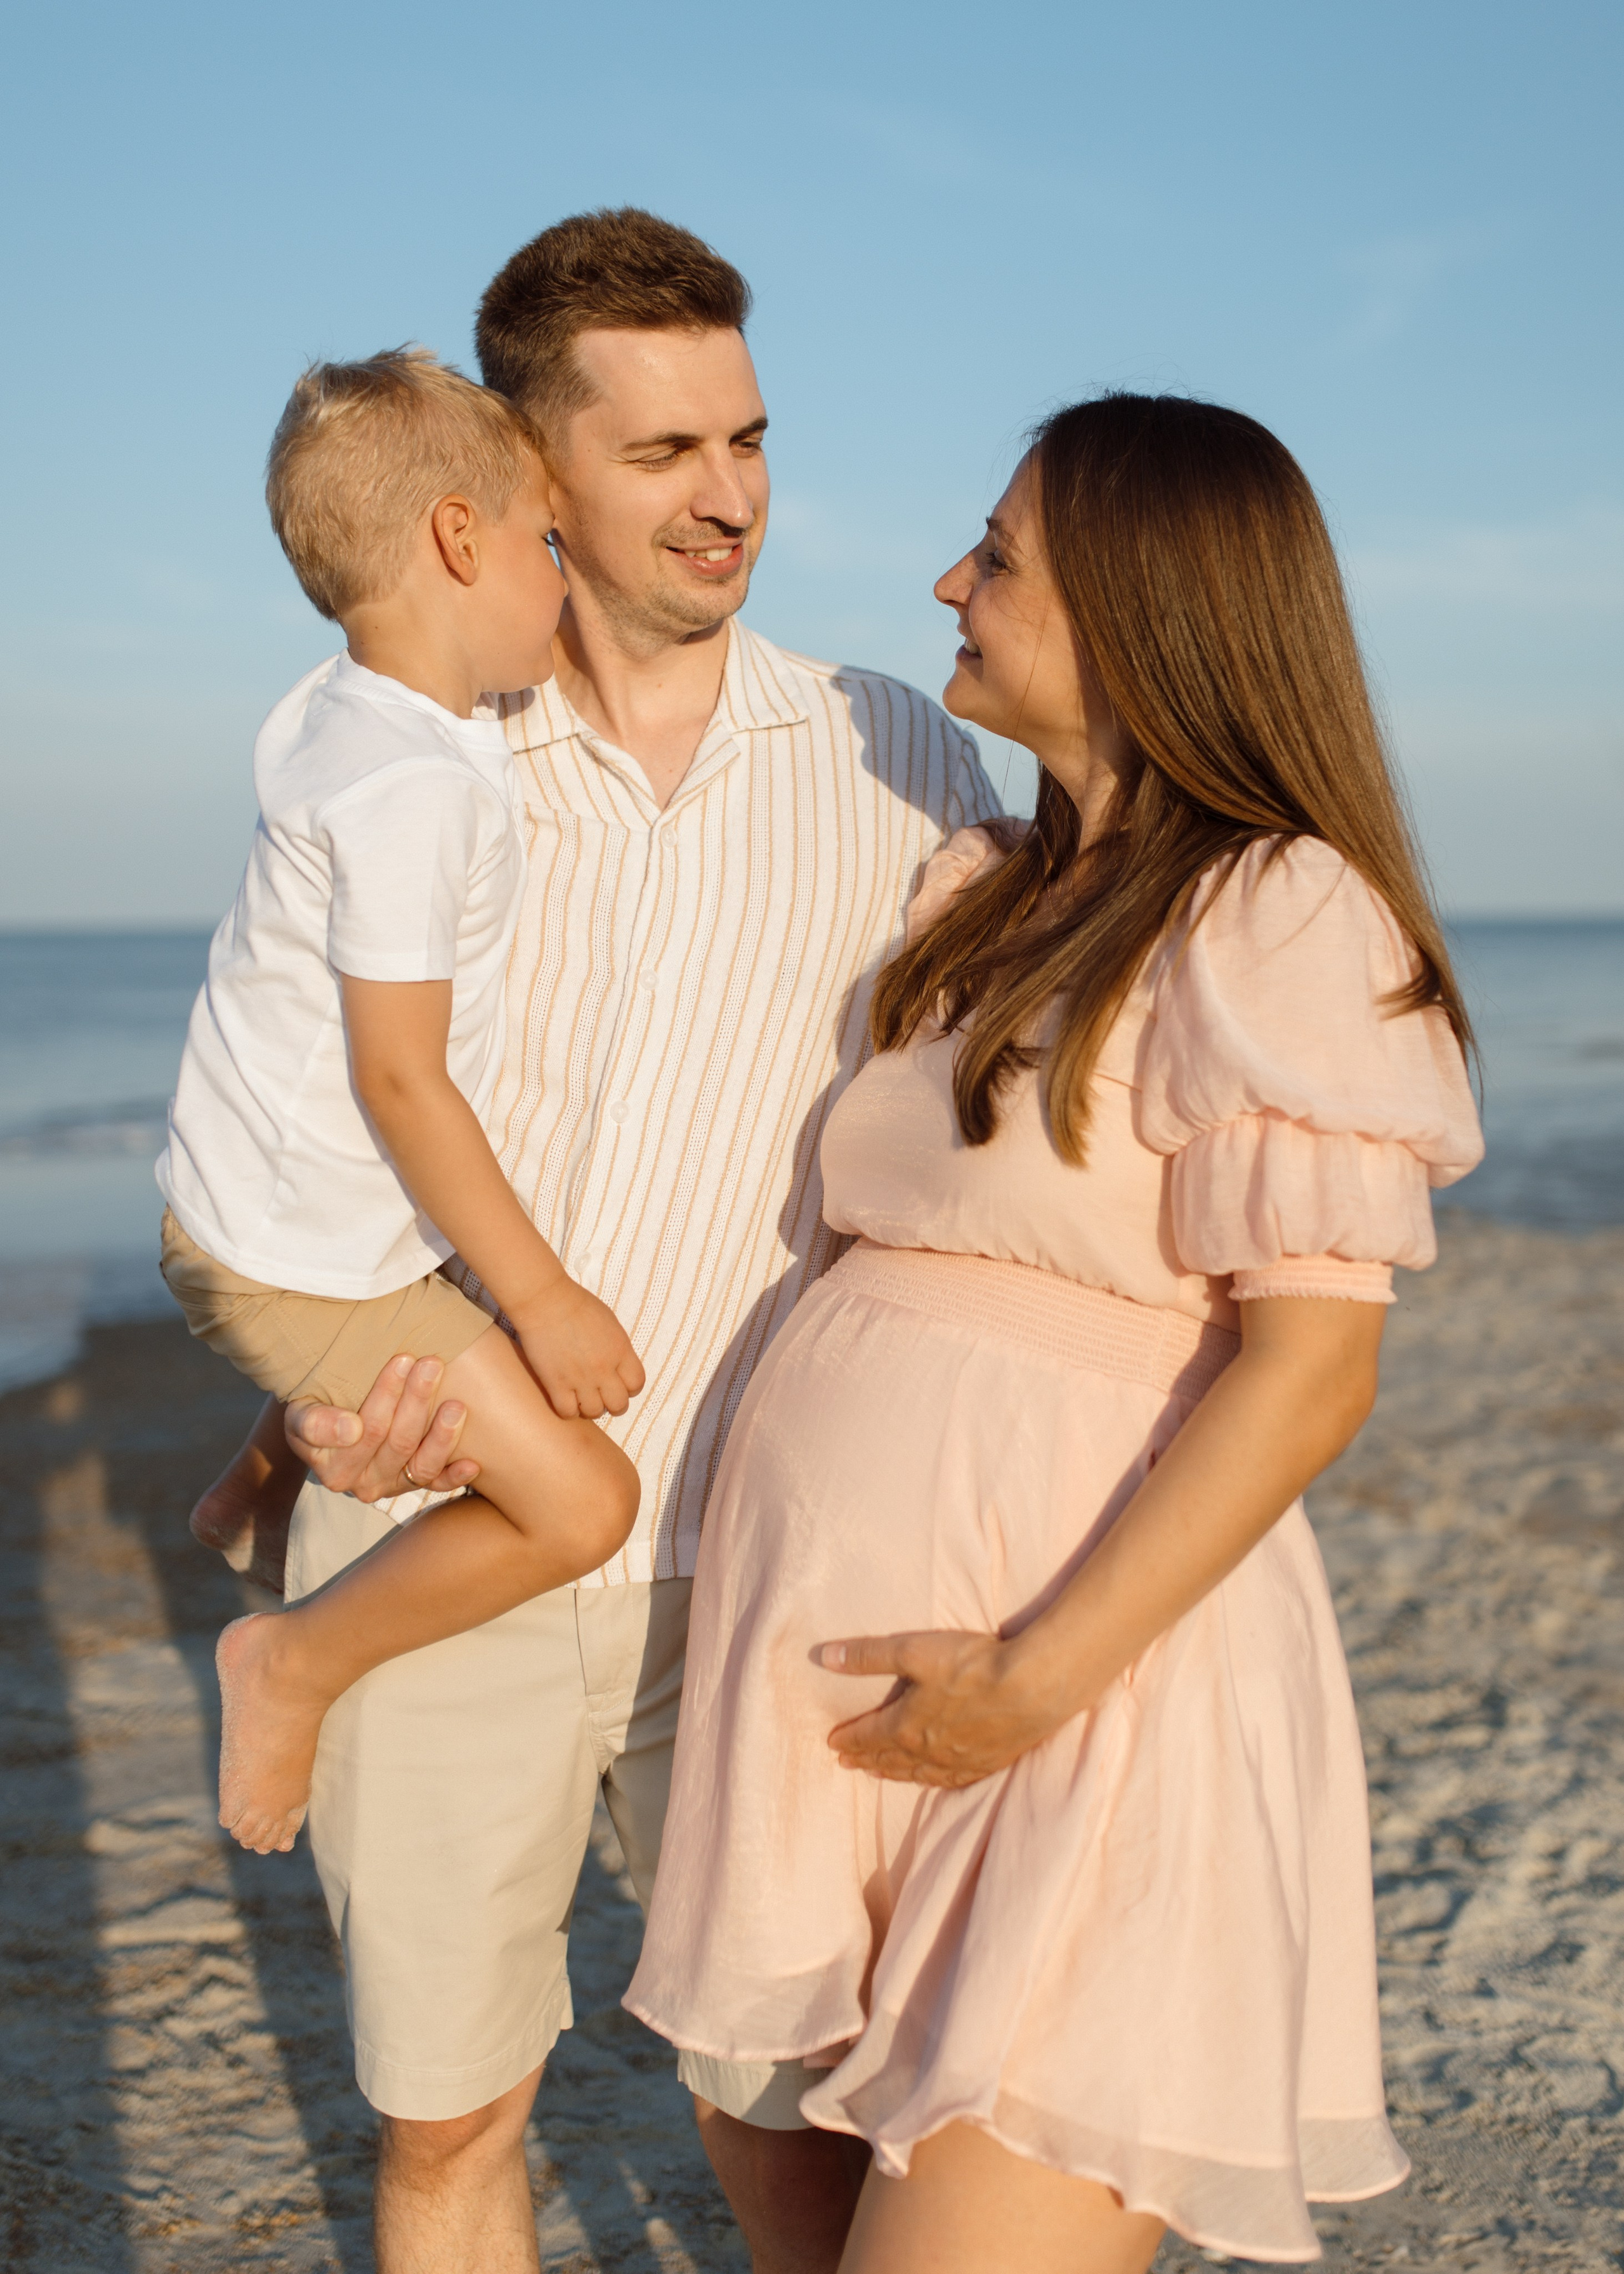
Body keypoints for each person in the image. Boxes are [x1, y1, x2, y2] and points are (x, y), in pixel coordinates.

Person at [626, 392, 1486, 2272]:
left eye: (1000, 557)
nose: (949, 581)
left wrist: (1036, 1676)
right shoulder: (983, 895)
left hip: (1090, 1696)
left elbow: (1312, 1370)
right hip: (834, 1705)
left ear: (1149, 607)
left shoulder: (1277, 912)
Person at [248, 209, 1002, 2273]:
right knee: (449, 2120)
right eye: (666, 449)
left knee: (790, 2126)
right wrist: (305, 1402)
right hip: (444, 1534)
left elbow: (1029, 1102)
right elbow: (271, 1132)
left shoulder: (893, 748)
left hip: (763, 1560)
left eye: (746, 435)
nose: (730, 491)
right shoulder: (412, 760)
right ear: (527, 464)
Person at [155, 348, 645, 1857]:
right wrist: (543, 1295)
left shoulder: (342, 713)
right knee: (584, 1504)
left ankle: (261, 1472)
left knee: (407, 1293)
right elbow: (400, 1078)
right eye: (545, 546)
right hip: (294, 1250)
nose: (563, 587)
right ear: (454, 541)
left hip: (240, 1201)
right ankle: (290, 1656)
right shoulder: (407, 791)